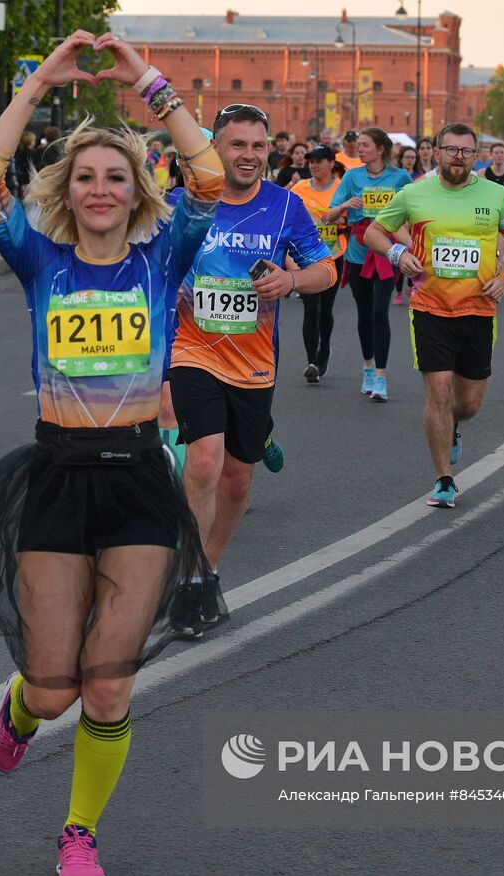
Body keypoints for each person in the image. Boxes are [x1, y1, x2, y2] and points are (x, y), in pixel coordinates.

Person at [0, 29, 224, 876]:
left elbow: (210, 176)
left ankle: (79, 833)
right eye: (86, 177)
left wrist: (146, 79)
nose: (101, 188)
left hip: (140, 481)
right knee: (55, 686)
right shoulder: (40, 261)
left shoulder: (162, 259)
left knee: (107, 687)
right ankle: (19, 706)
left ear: (134, 188)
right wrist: (38, 83)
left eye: (116, 175)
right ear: (66, 194)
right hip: (57, 481)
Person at [166, 102, 336, 634]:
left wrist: (291, 282)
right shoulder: (184, 202)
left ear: (270, 150)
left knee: (237, 482)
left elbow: (326, 270)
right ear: (215, 146)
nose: (248, 155)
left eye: (258, 146)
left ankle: (209, 567)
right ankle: (189, 578)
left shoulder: (286, 206)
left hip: (255, 360)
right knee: (203, 462)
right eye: (237, 144)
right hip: (192, 349)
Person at [364, 122, 504, 508]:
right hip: (430, 306)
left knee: (467, 405)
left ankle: (454, 427)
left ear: (476, 156)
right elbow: (374, 232)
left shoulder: (495, 194)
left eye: (466, 151)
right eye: (451, 149)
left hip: (479, 307)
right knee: (437, 394)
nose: (458, 157)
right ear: (436, 153)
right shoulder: (413, 193)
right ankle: (443, 479)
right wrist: (398, 254)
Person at [323, 127, 413, 400]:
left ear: (380, 149)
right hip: (358, 251)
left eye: (364, 145)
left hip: (387, 249)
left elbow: (412, 213)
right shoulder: (352, 176)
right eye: (358, 145)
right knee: (364, 314)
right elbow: (328, 215)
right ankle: (368, 367)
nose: (359, 149)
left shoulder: (400, 177)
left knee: (379, 312)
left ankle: (382, 377)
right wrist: (346, 205)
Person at [291, 145, 346, 382]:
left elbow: (352, 215)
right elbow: (287, 213)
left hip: (335, 255)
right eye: (311, 161)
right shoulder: (300, 188)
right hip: (306, 257)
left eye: (319, 161)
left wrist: (339, 218)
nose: (313, 165)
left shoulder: (341, 186)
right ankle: (312, 361)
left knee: (325, 309)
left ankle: (324, 350)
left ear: (331, 164)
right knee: (310, 308)